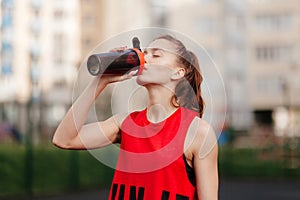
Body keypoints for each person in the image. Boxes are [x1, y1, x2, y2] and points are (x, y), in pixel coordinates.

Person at [52, 34, 218, 200]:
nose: (145, 58)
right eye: (144, 52)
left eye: (156, 54)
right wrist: (100, 81)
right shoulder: (124, 123)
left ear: (177, 73)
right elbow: (64, 139)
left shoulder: (198, 133)